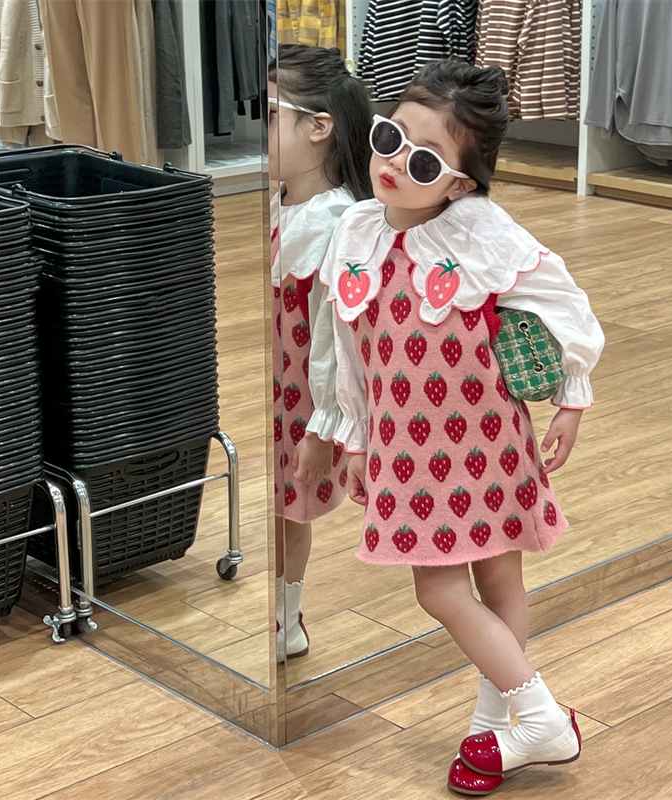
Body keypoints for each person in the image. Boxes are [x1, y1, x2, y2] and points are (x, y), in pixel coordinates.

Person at [308, 59, 604, 794]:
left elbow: (564, 301)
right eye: (388, 138)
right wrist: (355, 436)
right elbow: (347, 346)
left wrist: (572, 395)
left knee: (468, 583)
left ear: (461, 184)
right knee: (468, 584)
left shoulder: (482, 232)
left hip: (488, 436)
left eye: (424, 161)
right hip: (408, 449)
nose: (393, 163)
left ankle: (536, 720)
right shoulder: (355, 229)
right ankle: (501, 725)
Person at [269, 44, 372, 661]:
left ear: (318, 126)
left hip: (306, 400)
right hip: (279, 390)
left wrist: (323, 427)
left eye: (269, 114)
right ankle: (284, 617)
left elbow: (337, 337)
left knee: (293, 508)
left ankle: (287, 619)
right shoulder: (282, 203)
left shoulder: (338, 221)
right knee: (283, 508)